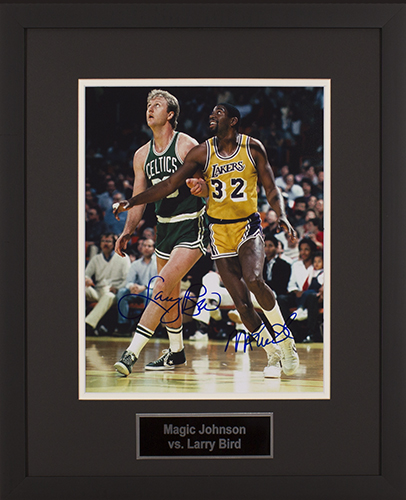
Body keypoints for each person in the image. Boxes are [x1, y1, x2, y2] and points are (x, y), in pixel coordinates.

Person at [113, 102, 299, 379]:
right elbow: (168, 184)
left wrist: (281, 214)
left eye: (219, 112)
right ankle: (272, 353)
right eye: (211, 113)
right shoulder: (202, 151)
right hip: (218, 232)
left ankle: (285, 341)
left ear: (233, 121)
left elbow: (271, 188)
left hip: (246, 226)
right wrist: (132, 201)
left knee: (254, 280)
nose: (212, 115)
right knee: (242, 305)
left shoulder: (252, 147)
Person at [113, 89, 208, 376]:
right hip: (164, 228)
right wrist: (127, 231)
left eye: (157, 105)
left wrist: (202, 188)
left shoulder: (186, 144)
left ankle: (131, 353)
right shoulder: (141, 155)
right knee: (169, 295)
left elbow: (208, 183)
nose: (150, 109)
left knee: (160, 286)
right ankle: (176, 352)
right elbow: (139, 198)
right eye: (148, 105)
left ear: (170, 114)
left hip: (191, 224)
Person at [85, 233, 131, 335]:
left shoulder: (123, 257)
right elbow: (86, 274)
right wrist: (87, 279)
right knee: (81, 289)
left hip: (113, 293)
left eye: (108, 241)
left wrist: (118, 288)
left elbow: (128, 279)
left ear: (114, 244)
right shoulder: (96, 258)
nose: (105, 244)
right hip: (98, 291)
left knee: (108, 296)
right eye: (103, 241)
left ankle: (88, 324)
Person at [115, 238, 157, 335]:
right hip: (136, 291)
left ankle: (146, 325)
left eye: (149, 246)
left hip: (150, 291)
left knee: (148, 293)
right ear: (141, 248)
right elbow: (129, 281)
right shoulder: (135, 264)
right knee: (122, 292)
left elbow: (158, 281)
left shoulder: (157, 263)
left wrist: (145, 287)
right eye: (144, 245)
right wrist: (132, 286)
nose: (146, 248)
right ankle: (123, 325)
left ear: (154, 249)